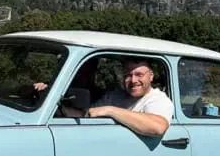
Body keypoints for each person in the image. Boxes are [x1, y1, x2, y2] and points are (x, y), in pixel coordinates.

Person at [39, 57, 173, 137]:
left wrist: (111, 111)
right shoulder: (116, 96)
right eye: (128, 75)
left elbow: (158, 127)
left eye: (139, 75)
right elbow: (89, 114)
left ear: (151, 76)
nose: (133, 80)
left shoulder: (157, 99)